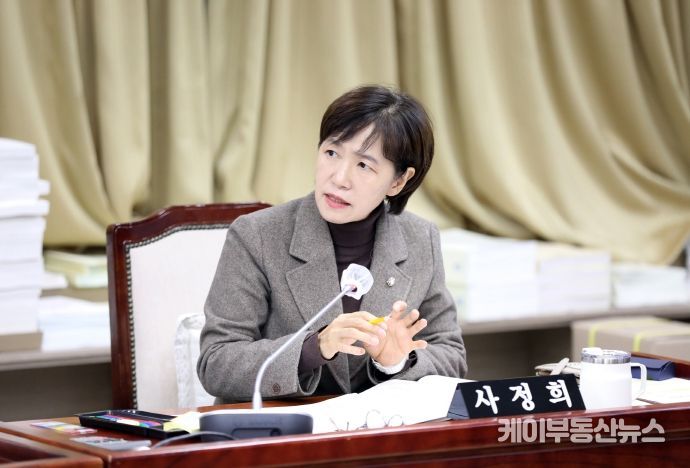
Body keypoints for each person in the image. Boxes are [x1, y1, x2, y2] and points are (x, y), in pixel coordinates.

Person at [198, 84, 467, 403]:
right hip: (283, 427)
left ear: (398, 181)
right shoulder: (257, 235)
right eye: (331, 153)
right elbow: (216, 362)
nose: (339, 178)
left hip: (379, 429)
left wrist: (395, 363)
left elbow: (452, 356)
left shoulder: (420, 239)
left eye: (364, 165)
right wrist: (314, 347)